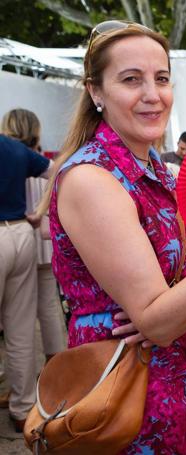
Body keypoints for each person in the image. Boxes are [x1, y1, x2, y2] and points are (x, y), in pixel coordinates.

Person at [34, 21, 186, 453]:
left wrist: (172, 306)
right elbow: (158, 320)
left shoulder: (159, 173)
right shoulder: (92, 180)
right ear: (96, 92)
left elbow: (182, 297)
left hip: (179, 387)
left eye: (162, 78)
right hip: (125, 399)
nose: (153, 94)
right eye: (132, 79)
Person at [0, 110, 52, 432]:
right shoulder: (17, 149)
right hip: (21, 232)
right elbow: (59, 172)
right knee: (20, 330)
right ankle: (22, 410)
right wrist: (41, 210)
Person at [3, 109, 67, 365]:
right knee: (47, 307)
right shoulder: (37, 161)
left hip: (24, 234)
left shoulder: (15, 159)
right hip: (41, 243)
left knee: (20, 317)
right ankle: (55, 364)